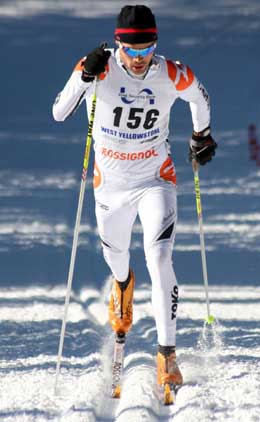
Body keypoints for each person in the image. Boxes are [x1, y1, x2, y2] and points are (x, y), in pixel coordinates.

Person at [52, 5, 217, 388]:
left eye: (148, 50)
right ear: (117, 44)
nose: (140, 59)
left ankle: (167, 354)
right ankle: (123, 285)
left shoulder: (170, 72)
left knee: (159, 258)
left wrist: (200, 135)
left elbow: (200, 98)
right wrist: (83, 76)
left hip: (154, 179)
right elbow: (60, 112)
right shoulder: (99, 67)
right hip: (109, 184)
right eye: (132, 50)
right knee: (117, 258)